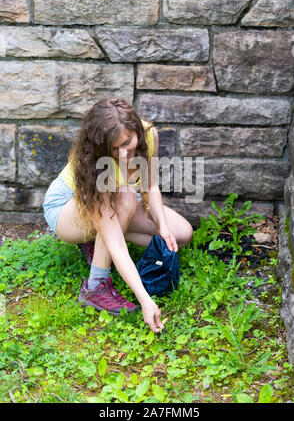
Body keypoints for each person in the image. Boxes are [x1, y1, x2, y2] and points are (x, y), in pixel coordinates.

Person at [42, 98, 193, 333]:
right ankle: (96, 286)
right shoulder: (93, 163)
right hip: (65, 210)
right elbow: (119, 246)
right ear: (100, 146)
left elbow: (151, 185)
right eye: (114, 148)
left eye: (127, 143)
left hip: (115, 203)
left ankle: (97, 241)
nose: (123, 153)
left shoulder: (148, 133)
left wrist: (162, 226)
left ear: (136, 130)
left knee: (181, 235)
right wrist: (145, 300)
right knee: (125, 198)